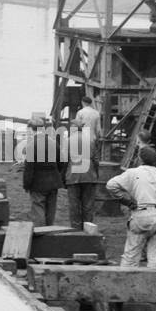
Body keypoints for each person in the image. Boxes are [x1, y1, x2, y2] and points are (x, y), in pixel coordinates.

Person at [106, 145, 156, 267]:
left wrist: (126, 200)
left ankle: (128, 280)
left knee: (131, 254)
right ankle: (152, 281)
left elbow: (111, 185)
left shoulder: (133, 173)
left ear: (140, 159)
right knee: (154, 255)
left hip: (140, 213)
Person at [22, 113, 66, 226]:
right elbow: (62, 163)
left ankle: (41, 233)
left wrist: (26, 184)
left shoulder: (32, 145)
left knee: (38, 208)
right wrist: (57, 176)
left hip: (37, 184)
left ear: (32, 130)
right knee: (51, 209)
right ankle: (49, 232)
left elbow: (29, 169)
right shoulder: (53, 143)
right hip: (53, 183)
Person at [66, 96, 102, 230]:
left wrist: (65, 175)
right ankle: (88, 228)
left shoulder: (68, 140)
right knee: (88, 205)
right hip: (89, 175)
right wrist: (95, 173)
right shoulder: (91, 141)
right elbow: (96, 160)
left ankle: (75, 229)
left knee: (74, 204)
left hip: (73, 176)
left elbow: (64, 160)